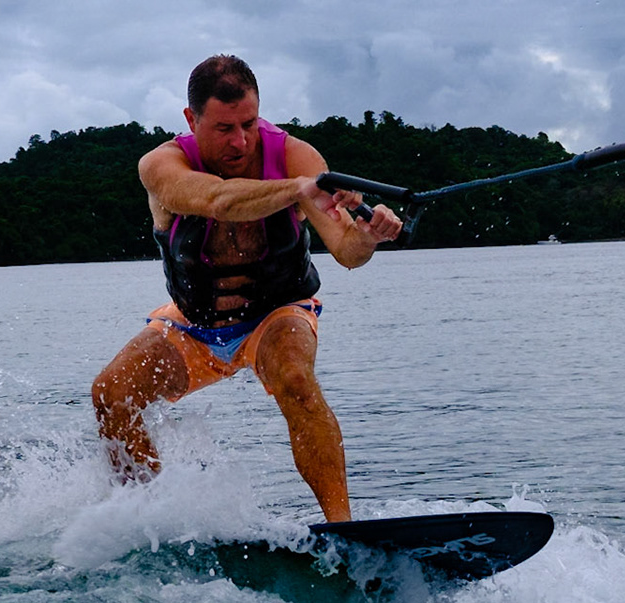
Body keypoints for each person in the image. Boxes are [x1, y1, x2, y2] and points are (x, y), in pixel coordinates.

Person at [91, 55, 402, 522]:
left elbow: (346, 251)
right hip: (195, 322)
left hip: (277, 310)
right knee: (110, 393)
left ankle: (344, 529)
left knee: (296, 380)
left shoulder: (296, 157)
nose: (240, 141)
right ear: (191, 119)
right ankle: (146, 519)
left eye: (249, 123)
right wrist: (297, 190)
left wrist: (369, 235)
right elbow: (218, 201)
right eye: (223, 128)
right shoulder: (162, 165)